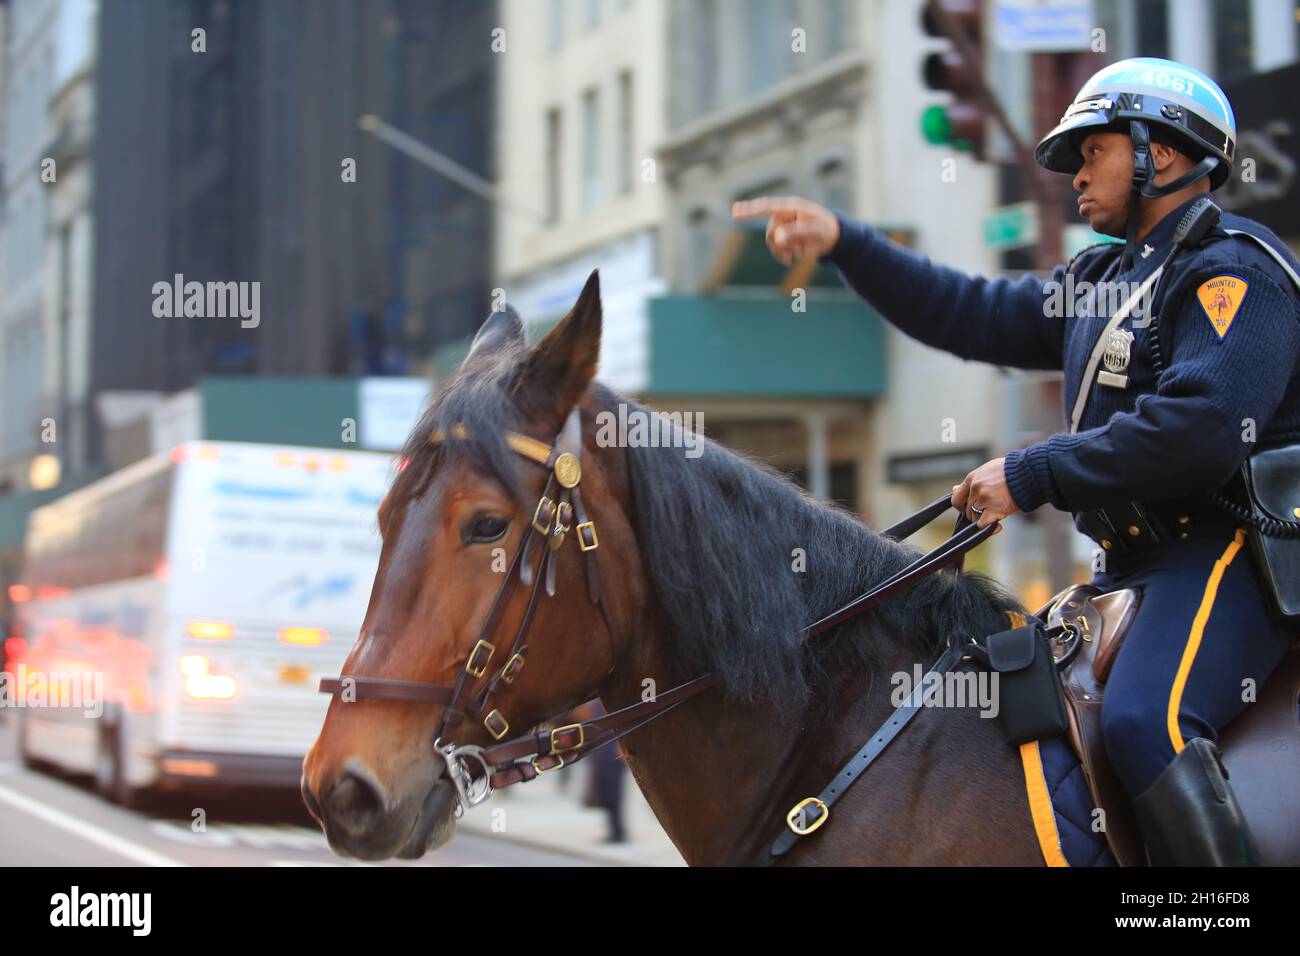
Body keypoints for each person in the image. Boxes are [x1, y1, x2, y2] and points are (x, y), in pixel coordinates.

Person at [734, 57, 1300, 866]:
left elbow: (1202, 426)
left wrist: (1032, 473)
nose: (1074, 174)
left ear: (1163, 155)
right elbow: (968, 313)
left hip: (1224, 556)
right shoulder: (1104, 279)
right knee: (1013, 712)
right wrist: (846, 243)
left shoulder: (1236, 270)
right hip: (1129, 564)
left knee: (1147, 720)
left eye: (1092, 151)